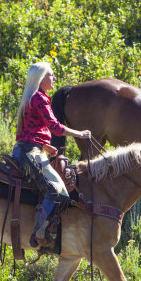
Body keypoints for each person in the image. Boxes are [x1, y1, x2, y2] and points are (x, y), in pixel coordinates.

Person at [13, 62, 91, 248]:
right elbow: (55, 127)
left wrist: (44, 145)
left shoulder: (32, 97)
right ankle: (39, 231)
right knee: (56, 190)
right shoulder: (40, 99)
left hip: (30, 149)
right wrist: (80, 134)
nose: (54, 78)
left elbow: (28, 130)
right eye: (51, 75)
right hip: (29, 153)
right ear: (41, 78)